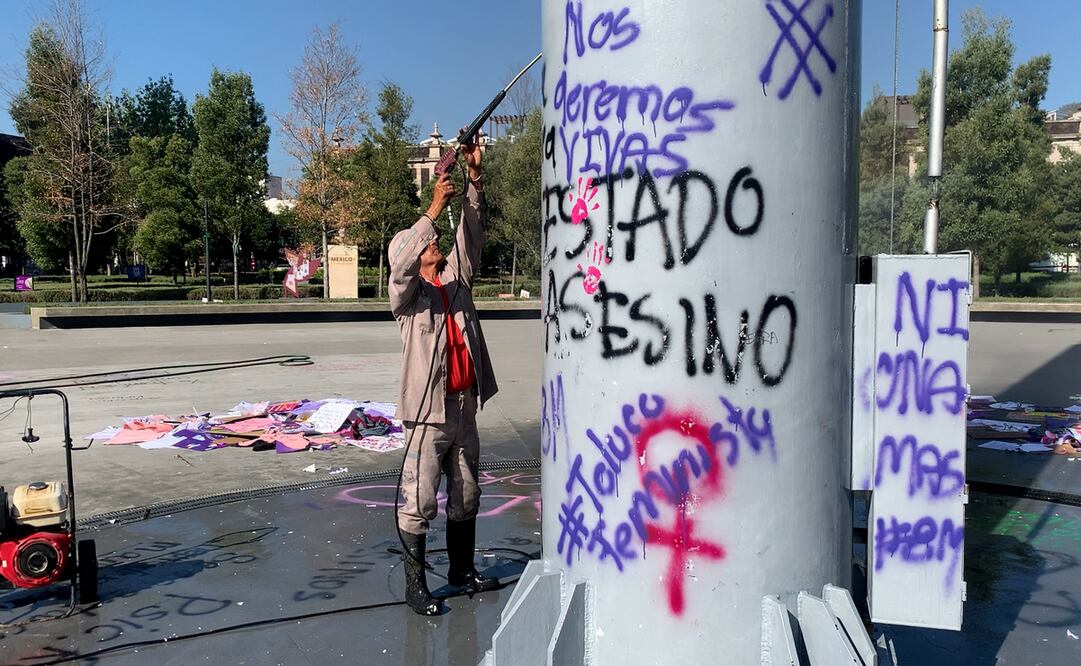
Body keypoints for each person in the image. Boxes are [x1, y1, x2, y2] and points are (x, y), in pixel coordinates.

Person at [388, 137, 499, 615]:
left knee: (467, 492)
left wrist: (473, 178)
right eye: (426, 244)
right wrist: (433, 206)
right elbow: (401, 261)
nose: (433, 244)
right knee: (418, 499)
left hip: (463, 406)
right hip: (427, 415)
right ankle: (417, 587)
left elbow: (470, 234)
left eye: (434, 240)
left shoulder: (455, 279)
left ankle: (461, 570)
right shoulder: (408, 298)